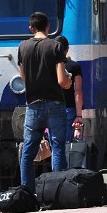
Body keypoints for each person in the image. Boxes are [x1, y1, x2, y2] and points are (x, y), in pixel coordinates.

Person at [17, 12, 71, 193]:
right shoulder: (55, 46)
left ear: (31, 28)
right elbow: (62, 81)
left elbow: (23, 77)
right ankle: (57, 192)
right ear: (48, 26)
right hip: (55, 103)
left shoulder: (23, 47)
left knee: (28, 151)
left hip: (32, 104)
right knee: (57, 148)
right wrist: (69, 81)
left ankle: (27, 192)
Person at [55, 36, 84, 142]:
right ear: (67, 49)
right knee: (66, 146)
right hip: (69, 110)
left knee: (54, 144)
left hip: (51, 110)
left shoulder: (48, 66)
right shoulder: (74, 66)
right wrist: (79, 115)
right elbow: (78, 91)